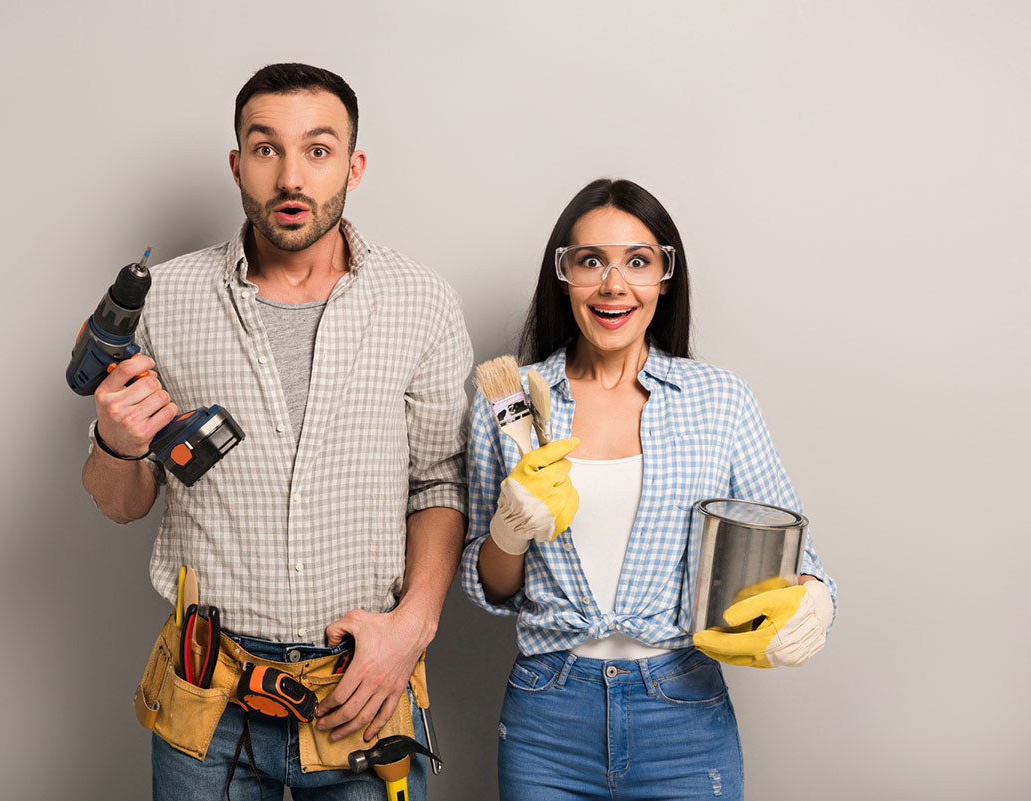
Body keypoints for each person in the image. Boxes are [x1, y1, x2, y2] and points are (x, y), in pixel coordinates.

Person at [82, 63, 471, 800]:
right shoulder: (163, 301)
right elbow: (120, 501)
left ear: (354, 165)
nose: (291, 177)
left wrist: (411, 629)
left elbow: (439, 481)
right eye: (266, 149)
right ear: (237, 164)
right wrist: (116, 438)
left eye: (318, 150)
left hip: (365, 685)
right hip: (208, 698)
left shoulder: (421, 301)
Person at [460, 178, 836, 800]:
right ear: (564, 276)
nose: (614, 284)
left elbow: (801, 560)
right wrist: (508, 530)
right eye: (590, 262)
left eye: (638, 261)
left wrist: (814, 602)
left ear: (665, 277)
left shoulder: (720, 401)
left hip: (684, 712)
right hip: (547, 718)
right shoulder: (508, 400)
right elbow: (491, 586)